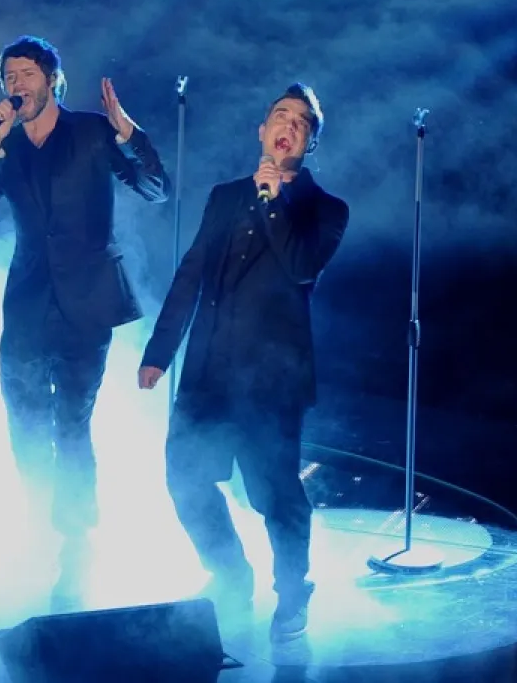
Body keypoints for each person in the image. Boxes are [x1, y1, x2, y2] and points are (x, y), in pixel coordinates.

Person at [138, 83, 349, 642]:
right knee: (183, 478)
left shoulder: (324, 210)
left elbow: (303, 266)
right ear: (261, 130)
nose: (289, 124)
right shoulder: (225, 195)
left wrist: (273, 201)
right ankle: (230, 573)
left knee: (276, 496)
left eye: (302, 122)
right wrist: (161, 350)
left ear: (309, 144)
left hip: (272, 381)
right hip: (207, 370)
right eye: (280, 115)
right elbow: (192, 272)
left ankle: (293, 590)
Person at [0, 35, 170, 578]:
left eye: (26, 73)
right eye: (8, 76)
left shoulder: (93, 132)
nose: (16, 83)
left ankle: (74, 532)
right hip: (27, 303)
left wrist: (129, 132)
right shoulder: (9, 148)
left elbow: (155, 188)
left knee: (72, 422)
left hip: (88, 300)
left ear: (52, 79)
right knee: (23, 421)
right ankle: (35, 519)